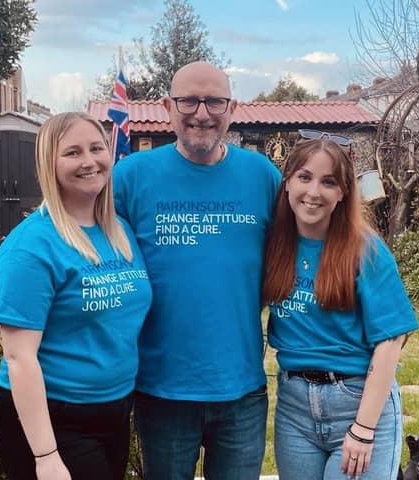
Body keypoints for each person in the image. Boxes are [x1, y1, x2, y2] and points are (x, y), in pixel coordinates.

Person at [112, 61, 281, 480]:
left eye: (214, 102)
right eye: (189, 100)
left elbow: (294, 253)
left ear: (232, 108)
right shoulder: (130, 177)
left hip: (242, 387)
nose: (201, 113)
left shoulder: (262, 176)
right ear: (168, 106)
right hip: (161, 389)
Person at [0, 112, 152, 480]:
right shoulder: (31, 246)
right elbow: (19, 356)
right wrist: (46, 455)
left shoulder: (119, 232)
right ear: (49, 163)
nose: (89, 161)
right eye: (73, 152)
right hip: (54, 419)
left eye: (96, 148)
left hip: (112, 410)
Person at [262, 130, 419, 480]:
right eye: (304, 177)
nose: (314, 192)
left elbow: (391, 340)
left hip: (356, 399)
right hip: (294, 407)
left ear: (343, 192)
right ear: (287, 182)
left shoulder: (365, 249)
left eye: (328, 182)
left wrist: (363, 429)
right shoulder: (274, 246)